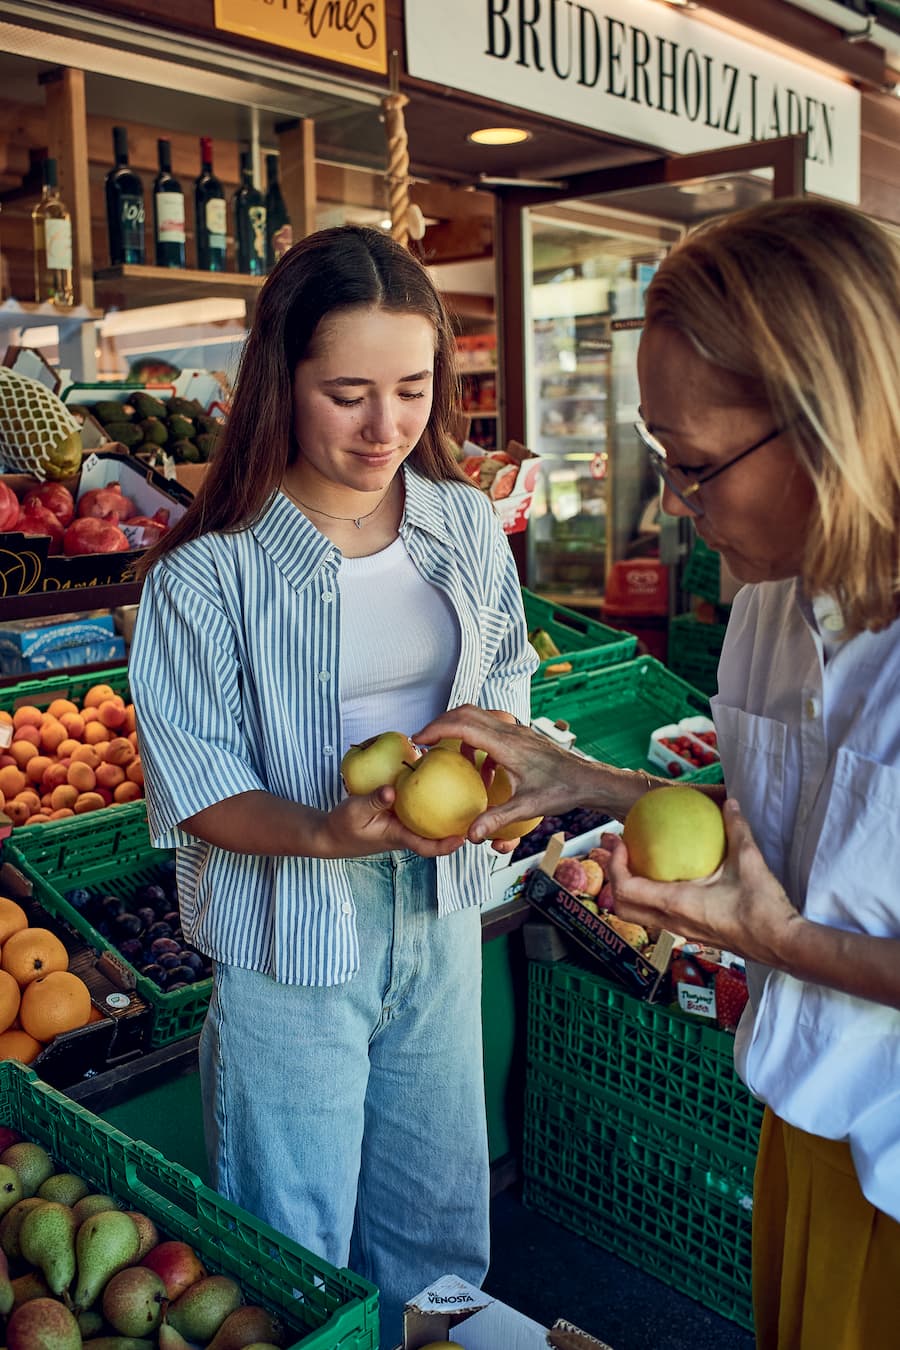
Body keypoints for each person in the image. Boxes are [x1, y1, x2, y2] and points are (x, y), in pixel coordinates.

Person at [417, 198, 900, 1350]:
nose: (678, 505)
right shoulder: (773, 611)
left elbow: (798, 905)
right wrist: (584, 778)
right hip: (814, 1124)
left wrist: (780, 943)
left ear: (823, 428)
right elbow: (813, 836)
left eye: (693, 466)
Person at [128, 224, 538, 1350]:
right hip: (290, 935)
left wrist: (505, 765)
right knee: (292, 1245)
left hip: (443, 910)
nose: (385, 427)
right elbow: (199, 780)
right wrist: (327, 829)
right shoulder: (212, 570)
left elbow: (508, 676)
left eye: (411, 389)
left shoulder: (459, 521)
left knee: (437, 1226)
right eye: (347, 392)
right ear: (282, 381)